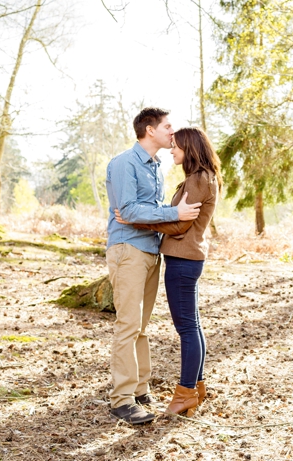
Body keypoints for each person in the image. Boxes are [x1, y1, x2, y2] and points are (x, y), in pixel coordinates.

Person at [105, 108, 202, 425]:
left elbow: (148, 210)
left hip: (150, 252)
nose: (172, 133)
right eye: (167, 126)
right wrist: (174, 215)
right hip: (127, 249)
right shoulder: (124, 163)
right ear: (149, 130)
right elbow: (130, 210)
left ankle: (140, 389)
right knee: (128, 325)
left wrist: (158, 214)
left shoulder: (156, 168)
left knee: (141, 327)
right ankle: (121, 399)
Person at [116, 126, 221, 418]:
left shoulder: (198, 180)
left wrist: (137, 221)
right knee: (192, 326)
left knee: (187, 328)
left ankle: (185, 393)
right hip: (187, 259)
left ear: (189, 148)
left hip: (183, 260)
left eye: (176, 146)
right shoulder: (200, 178)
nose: (171, 150)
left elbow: (179, 225)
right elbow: (177, 218)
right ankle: (195, 387)